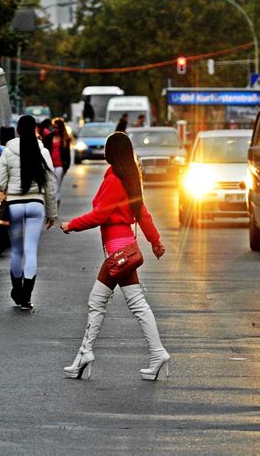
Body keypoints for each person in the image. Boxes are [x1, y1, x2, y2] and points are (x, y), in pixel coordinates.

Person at [60, 132, 170, 381]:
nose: (104, 152)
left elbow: (101, 215)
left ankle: (85, 354)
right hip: (126, 248)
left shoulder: (114, 179)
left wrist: (72, 225)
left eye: (108, 148)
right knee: (136, 304)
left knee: (98, 302)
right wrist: (155, 241)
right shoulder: (130, 179)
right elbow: (142, 214)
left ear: (113, 152)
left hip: (118, 252)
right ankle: (156, 353)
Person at [0, 115, 57, 311]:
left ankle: (16, 291)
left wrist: (9, 189)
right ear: (35, 129)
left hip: (14, 205)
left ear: (18, 130)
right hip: (36, 204)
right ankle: (26, 296)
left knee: (16, 250)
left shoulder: (8, 151)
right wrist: (51, 213)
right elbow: (50, 184)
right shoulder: (42, 151)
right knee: (31, 251)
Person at [43, 117, 71, 212]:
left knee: (56, 187)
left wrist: (65, 168)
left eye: (57, 127)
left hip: (60, 166)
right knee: (49, 187)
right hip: (49, 165)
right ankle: (50, 208)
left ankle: (55, 210)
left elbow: (67, 155)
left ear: (61, 128)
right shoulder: (48, 138)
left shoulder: (65, 139)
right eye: (54, 127)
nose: (55, 129)